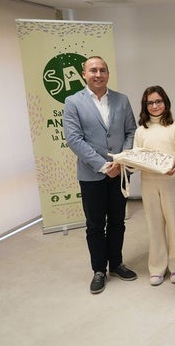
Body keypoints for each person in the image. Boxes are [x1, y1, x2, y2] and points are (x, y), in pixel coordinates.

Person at [63, 56, 137, 294]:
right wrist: (104, 165)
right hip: (91, 175)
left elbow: (131, 132)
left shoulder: (122, 100)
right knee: (95, 225)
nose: (98, 74)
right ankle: (99, 270)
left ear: (107, 74)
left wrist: (120, 160)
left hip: (120, 172)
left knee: (117, 221)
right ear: (84, 74)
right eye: (93, 70)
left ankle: (116, 263)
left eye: (102, 70)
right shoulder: (73, 102)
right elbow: (74, 139)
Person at [134, 86, 175, 286]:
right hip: (148, 182)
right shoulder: (141, 131)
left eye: (159, 101)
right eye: (150, 103)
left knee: (174, 224)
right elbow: (136, 156)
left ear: (165, 102)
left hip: (171, 182)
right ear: (145, 106)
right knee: (154, 225)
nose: (155, 106)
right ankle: (157, 267)